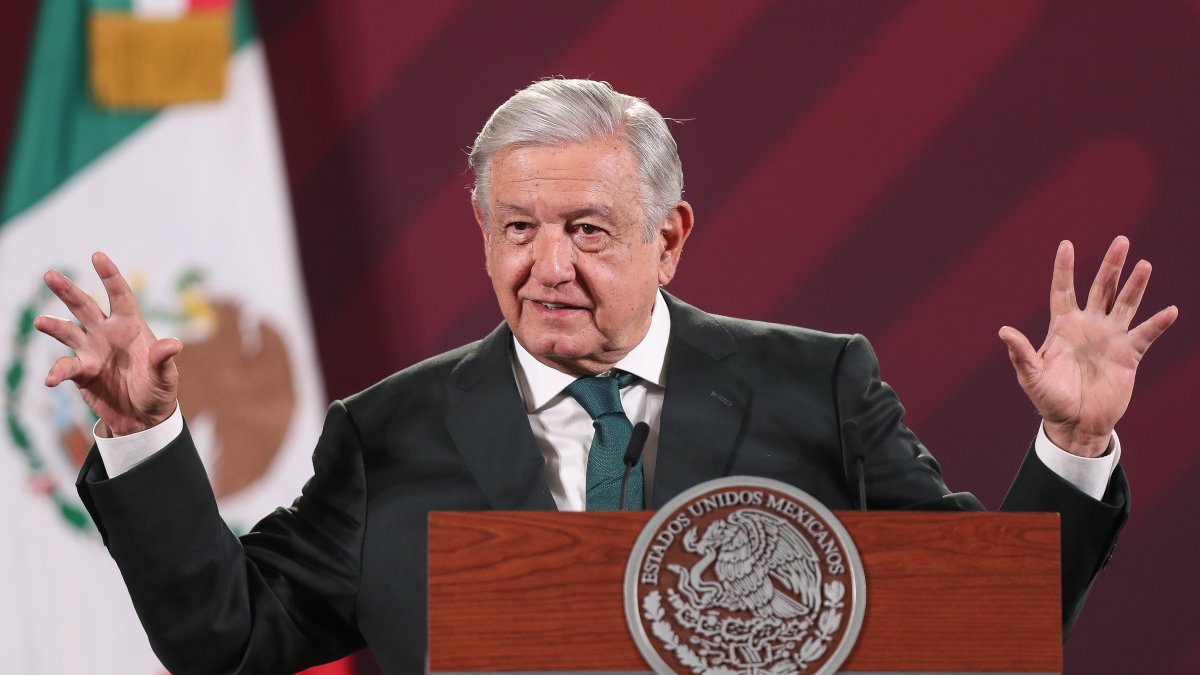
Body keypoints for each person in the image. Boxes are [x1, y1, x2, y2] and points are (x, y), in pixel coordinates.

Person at [36, 79, 1176, 674]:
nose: (548, 268)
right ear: (481, 237)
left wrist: (1071, 450)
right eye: (517, 228)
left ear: (669, 237)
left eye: (589, 228)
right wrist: (145, 439)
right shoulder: (388, 433)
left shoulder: (816, 388)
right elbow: (224, 642)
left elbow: (982, 620)